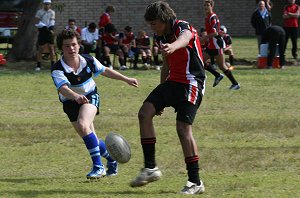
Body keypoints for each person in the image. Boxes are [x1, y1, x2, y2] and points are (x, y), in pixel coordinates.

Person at [130, 1, 206, 195]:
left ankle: (195, 182)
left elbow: (185, 37)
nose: (152, 27)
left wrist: (173, 46)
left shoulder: (182, 26)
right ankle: (150, 168)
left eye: (154, 23)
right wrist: (161, 93)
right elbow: (165, 66)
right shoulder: (160, 36)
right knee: (145, 113)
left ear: (164, 19)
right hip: (172, 82)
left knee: (182, 129)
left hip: (191, 82)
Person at [51, 29, 138, 179]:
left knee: (83, 125)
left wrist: (126, 79)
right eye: (67, 46)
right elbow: (63, 88)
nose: (71, 48)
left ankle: (98, 167)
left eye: (74, 44)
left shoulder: (88, 60)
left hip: (90, 96)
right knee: (90, 137)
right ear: (61, 48)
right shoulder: (58, 68)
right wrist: (75, 96)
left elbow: (105, 71)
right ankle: (111, 159)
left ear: (79, 45)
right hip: (70, 103)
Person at [202, 0, 240, 90]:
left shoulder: (213, 17)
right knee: (201, 61)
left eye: (207, 5)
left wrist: (204, 38)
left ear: (212, 6)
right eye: (204, 5)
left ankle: (235, 84)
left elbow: (215, 33)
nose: (205, 7)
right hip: (212, 45)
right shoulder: (208, 17)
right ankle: (218, 75)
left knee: (222, 66)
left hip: (217, 45)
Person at [35, 0, 56, 71]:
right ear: (43, 4)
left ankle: (53, 65)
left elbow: (52, 21)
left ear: (50, 5)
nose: (47, 5)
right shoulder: (39, 12)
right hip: (42, 31)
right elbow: (37, 21)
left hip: (49, 31)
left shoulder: (52, 12)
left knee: (51, 48)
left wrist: (51, 28)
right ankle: (38, 66)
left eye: (48, 4)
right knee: (40, 49)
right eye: (45, 4)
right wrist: (43, 26)